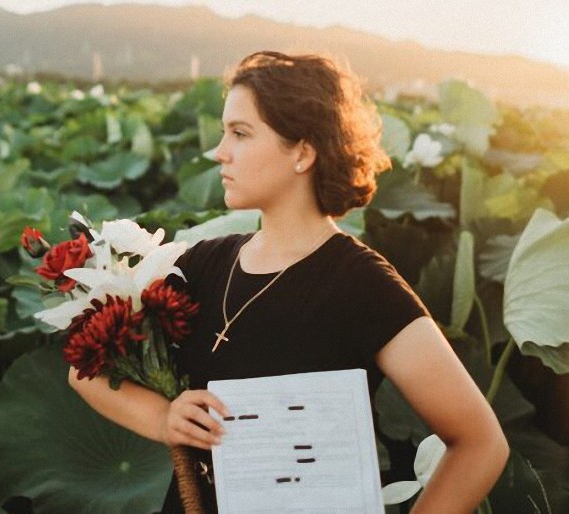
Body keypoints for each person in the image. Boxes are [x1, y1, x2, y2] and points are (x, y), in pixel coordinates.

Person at [69, 51, 508, 513]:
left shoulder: (361, 284)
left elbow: (481, 443)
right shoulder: (200, 264)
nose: (220, 151)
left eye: (240, 133)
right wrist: (163, 418)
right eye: (224, 132)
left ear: (302, 151)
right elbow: (84, 366)